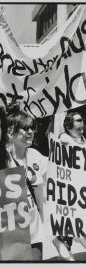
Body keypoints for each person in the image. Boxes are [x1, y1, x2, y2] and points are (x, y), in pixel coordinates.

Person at [6, 104, 46, 261]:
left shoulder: (37, 156)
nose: (31, 132)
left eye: (32, 128)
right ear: (11, 132)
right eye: (25, 129)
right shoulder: (0, 160)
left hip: (35, 232)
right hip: (9, 235)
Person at [52, 111, 86, 261]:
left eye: (82, 121)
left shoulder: (83, 140)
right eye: (78, 121)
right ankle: (64, 252)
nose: (81, 123)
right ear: (68, 125)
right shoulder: (64, 139)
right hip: (68, 193)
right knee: (67, 230)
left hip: (82, 190)